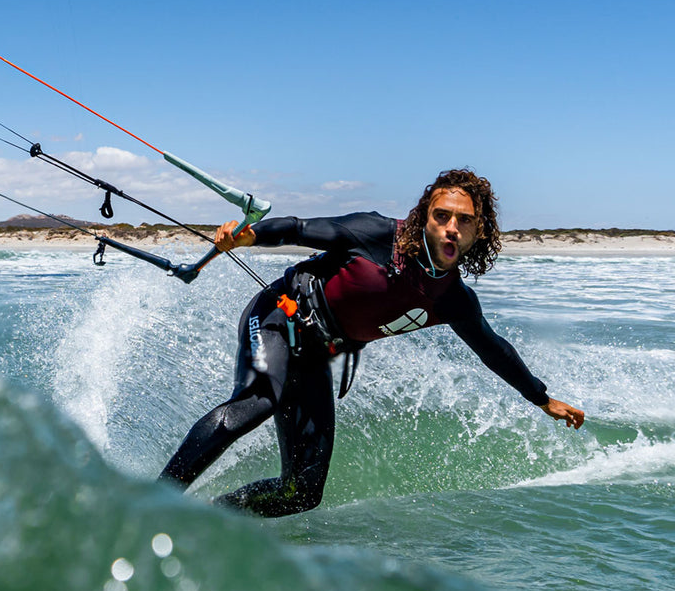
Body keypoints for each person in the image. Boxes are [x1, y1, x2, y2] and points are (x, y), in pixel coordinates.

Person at [159, 168, 584, 517]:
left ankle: (213, 517)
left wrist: (541, 398)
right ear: (424, 218)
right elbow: (301, 228)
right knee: (258, 401)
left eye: (465, 220)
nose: (452, 228)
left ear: (480, 231)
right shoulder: (378, 235)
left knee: (302, 492)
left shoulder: (454, 300)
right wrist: (251, 236)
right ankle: (155, 501)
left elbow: (493, 348)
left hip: (315, 353)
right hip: (278, 314)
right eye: (441, 216)